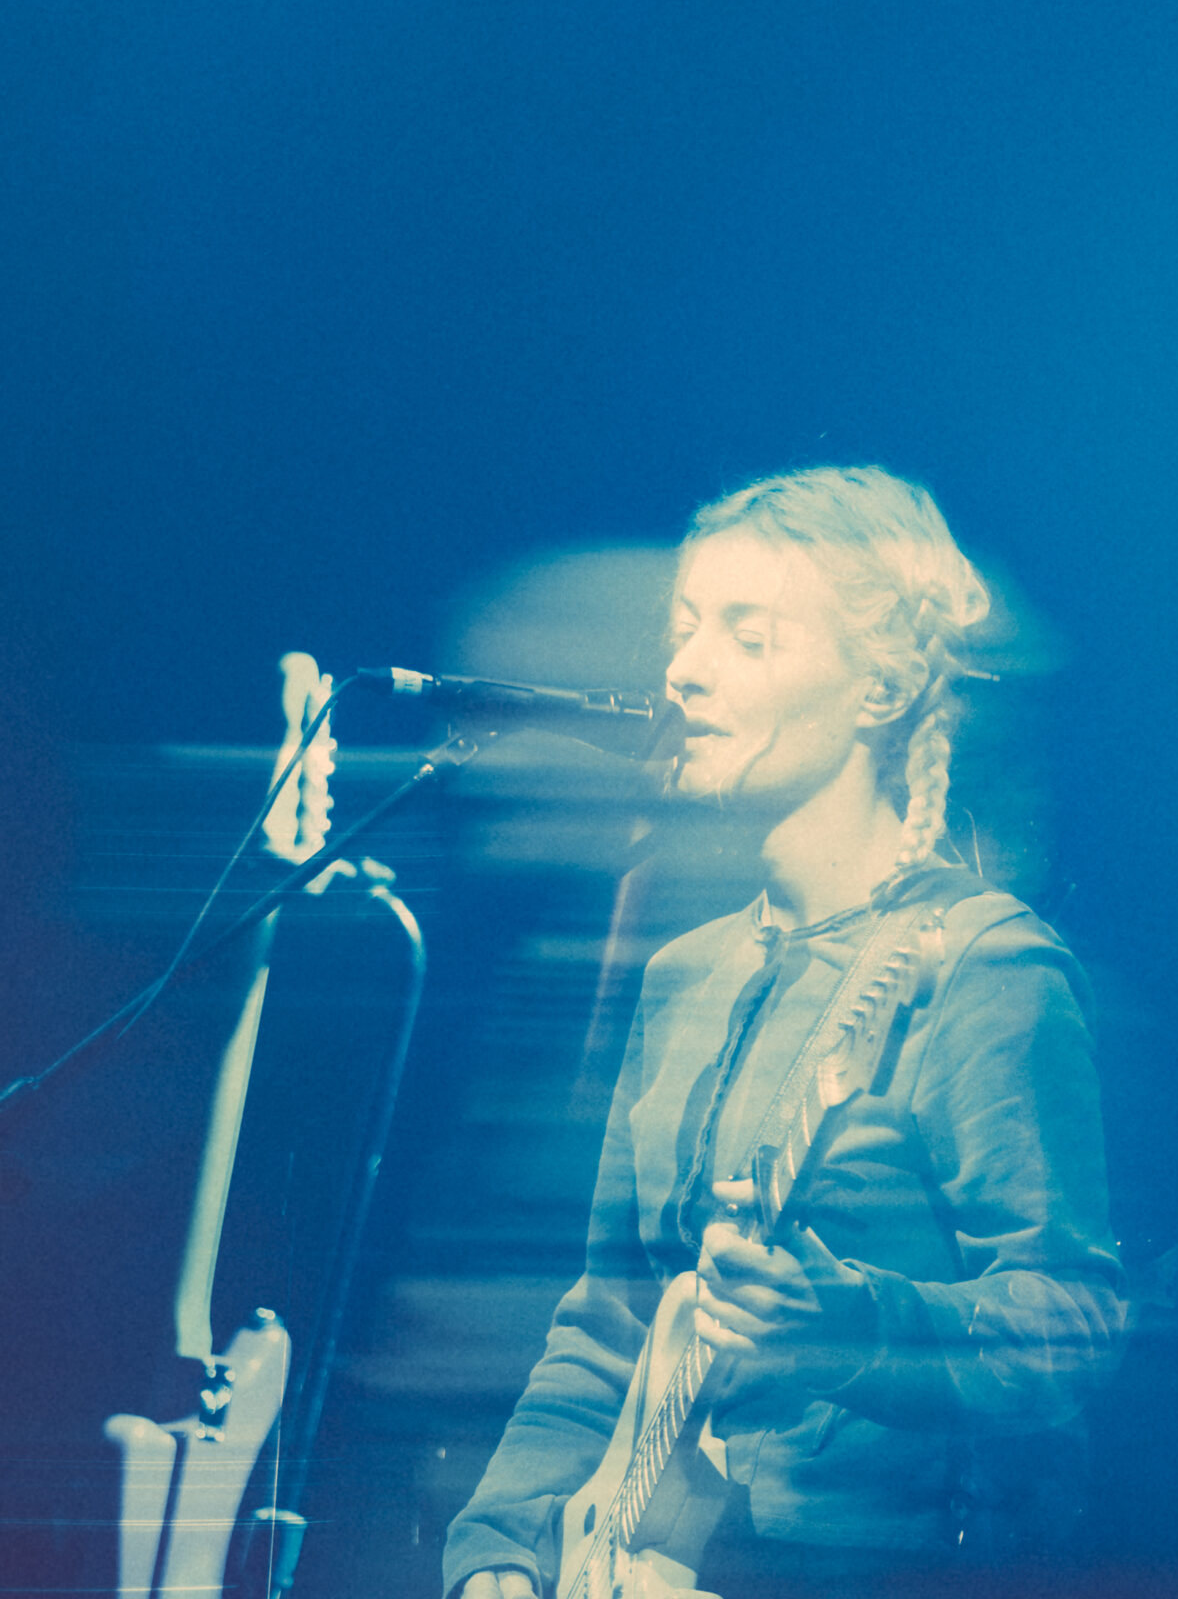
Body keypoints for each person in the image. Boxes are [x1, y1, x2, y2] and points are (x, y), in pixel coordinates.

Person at [444, 465, 1124, 1599]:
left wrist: (853, 1326)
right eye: (684, 630)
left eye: (747, 637)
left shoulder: (982, 967)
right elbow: (608, 1324)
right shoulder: (683, 976)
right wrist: (496, 1550)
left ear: (878, 688)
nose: (683, 670)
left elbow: (1068, 1320)